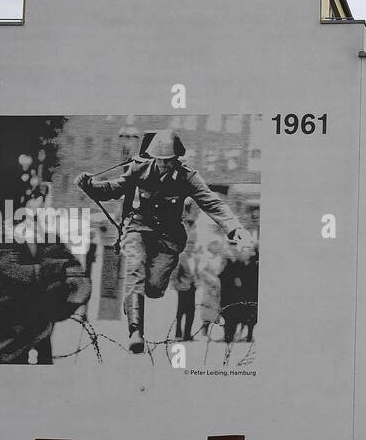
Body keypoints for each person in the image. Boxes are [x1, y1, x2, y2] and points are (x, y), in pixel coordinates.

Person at [76, 129, 250, 353]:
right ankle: (136, 331)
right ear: (153, 157)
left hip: (168, 238)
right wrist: (89, 185)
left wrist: (234, 227)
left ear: (176, 159)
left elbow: (211, 202)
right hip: (138, 228)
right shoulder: (139, 168)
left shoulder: (187, 176)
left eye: (169, 161)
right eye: (161, 161)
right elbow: (115, 188)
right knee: (134, 268)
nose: (164, 166)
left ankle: (135, 298)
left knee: (155, 288)